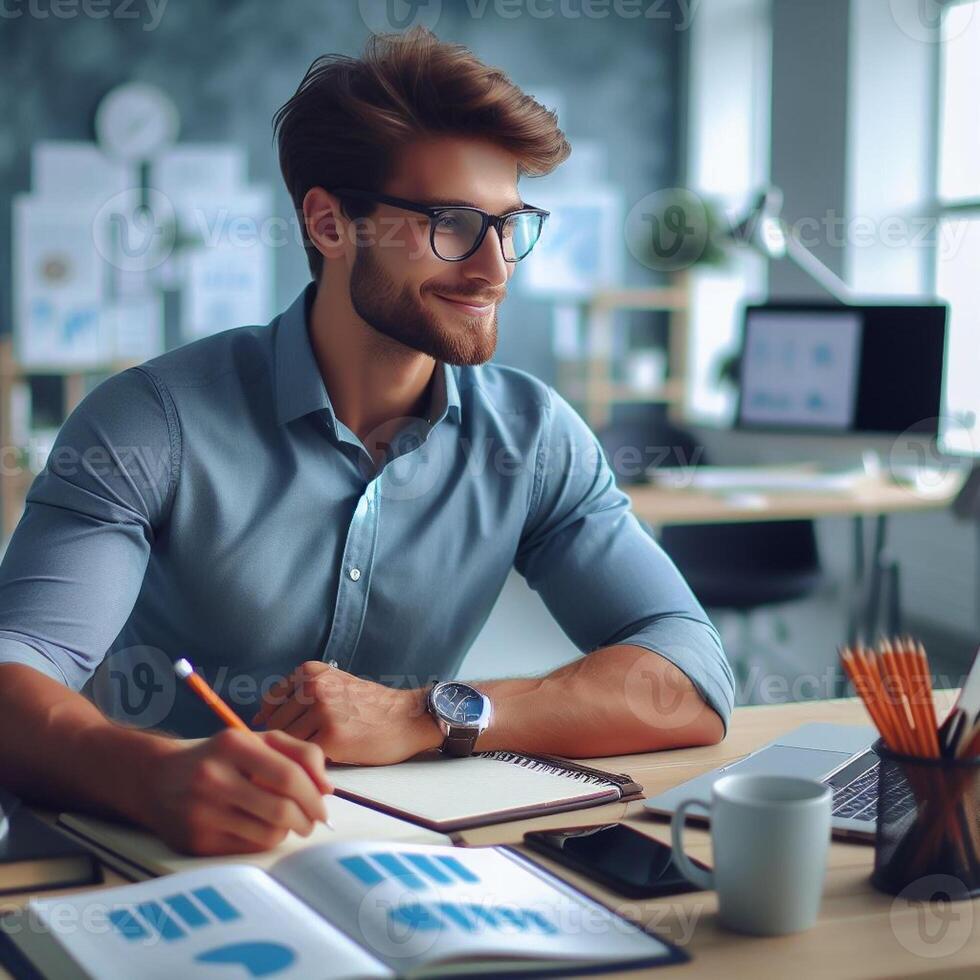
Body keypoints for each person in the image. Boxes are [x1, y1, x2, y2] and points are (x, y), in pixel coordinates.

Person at [0, 27, 734, 856]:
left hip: (399, 860)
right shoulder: (147, 422)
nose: (494, 268)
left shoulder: (532, 438)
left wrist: (430, 713)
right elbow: (16, 665)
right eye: (452, 224)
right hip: (142, 860)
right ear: (328, 223)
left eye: (510, 223)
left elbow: (691, 674)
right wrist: (149, 774)